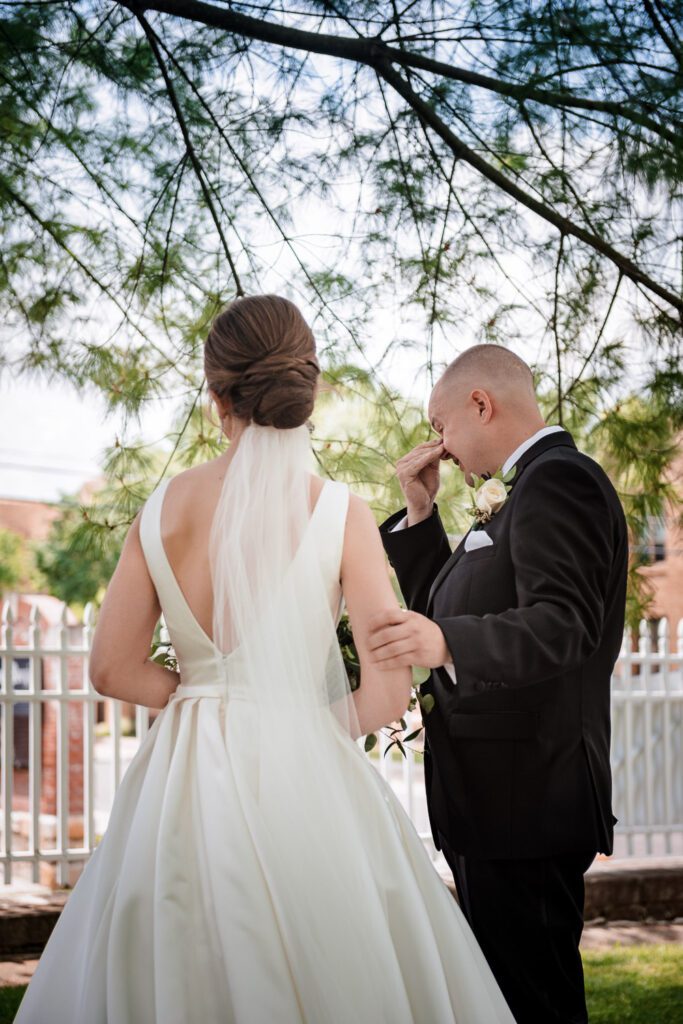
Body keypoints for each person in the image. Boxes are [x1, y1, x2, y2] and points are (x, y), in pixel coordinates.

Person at [15, 296, 515, 1024]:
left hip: (180, 780)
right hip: (305, 766)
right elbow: (385, 692)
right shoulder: (337, 510)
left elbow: (110, 670)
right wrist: (296, 724)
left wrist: (199, 692)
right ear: (304, 387)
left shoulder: (163, 507)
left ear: (216, 393)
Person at [372, 344, 628, 1024]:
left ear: (480, 404)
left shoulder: (557, 480)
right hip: (495, 804)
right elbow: (446, 613)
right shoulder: (519, 493)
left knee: (532, 999)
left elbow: (562, 623)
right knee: (504, 997)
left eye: (441, 424)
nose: (440, 447)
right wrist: (421, 515)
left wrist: (447, 641)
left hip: (529, 800)